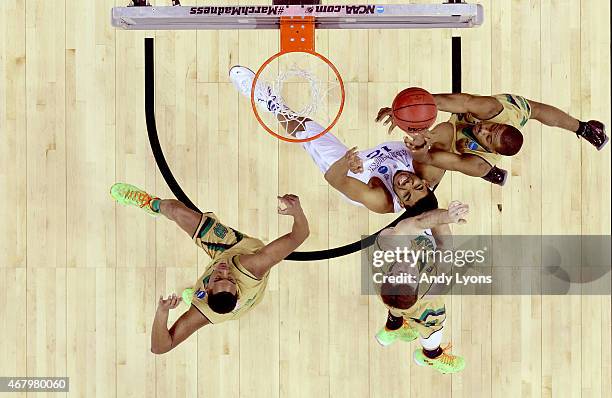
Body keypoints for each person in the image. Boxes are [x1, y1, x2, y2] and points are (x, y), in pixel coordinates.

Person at [109, 183, 310, 354]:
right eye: (230, 279)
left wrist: (162, 312)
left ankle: (193, 292)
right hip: (236, 249)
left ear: (206, 291)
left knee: (178, 212)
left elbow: (160, 348)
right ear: (236, 288)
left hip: (228, 299)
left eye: (217, 278)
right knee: (175, 210)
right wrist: (297, 212)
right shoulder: (252, 267)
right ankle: (151, 204)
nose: (223, 271)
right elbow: (299, 235)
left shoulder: (202, 310)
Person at [229, 65, 445, 214]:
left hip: (352, 174)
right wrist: (412, 126)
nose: (406, 185)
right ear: (426, 183)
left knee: (308, 130)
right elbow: (444, 129)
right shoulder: (430, 170)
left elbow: (334, 180)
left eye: (406, 195)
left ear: (402, 203)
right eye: (417, 187)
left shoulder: (379, 200)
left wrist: (345, 163)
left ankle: (268, 101)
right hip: (366, 164)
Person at [377, 93, 608, 186]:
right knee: (534, 110)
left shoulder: (478, 162)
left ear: (488, 148)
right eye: (492, 128)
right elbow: (443, 102)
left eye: (487, 136)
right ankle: (585, 128)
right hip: (506, 110)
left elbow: (432, 158)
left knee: (431, 170)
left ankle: (491, 173)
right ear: (500, 123)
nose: (483, 129)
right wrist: (405, 112)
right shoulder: (492, 110)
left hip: (470, 157)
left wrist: (418, 146)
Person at [372, 200, 470, 374]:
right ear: (418, 286)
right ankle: (431, 356)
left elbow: (417, 223)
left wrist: (444, 215)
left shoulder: (385, 246)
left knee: (394, 304)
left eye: (398, 271)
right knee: (432, 329)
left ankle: (393, 328)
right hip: (425, 306)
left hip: (391, 298)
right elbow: (444, 245)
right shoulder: (434, 285)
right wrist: (442, 218)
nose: (408, 264)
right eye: (410, 275)